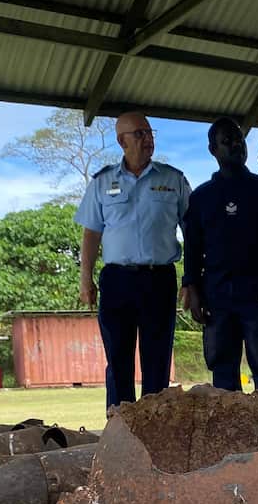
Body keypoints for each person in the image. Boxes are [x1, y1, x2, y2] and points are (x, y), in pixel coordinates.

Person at [75, 111, 191, 409]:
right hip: (117, 282)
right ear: (121, 141)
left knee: (157, 361)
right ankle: (120, 429)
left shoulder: (173, 179)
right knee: (118, 361)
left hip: (159, 278)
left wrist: (191, 280)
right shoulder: (102, 182)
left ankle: (156, 432)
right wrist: (85, 279)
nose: (148, 139)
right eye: (139, 133)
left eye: (150, 133)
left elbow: (193, 233)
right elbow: (91, 234)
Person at [181, 117, 258, 393]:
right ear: (212, 150)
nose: (235, 145)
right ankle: (230, 435)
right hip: (217, 297)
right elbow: (192, 247)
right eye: (226, 141)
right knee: (222, 373)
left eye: (239, 140)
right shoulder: (201, 198)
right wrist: (192, 288)